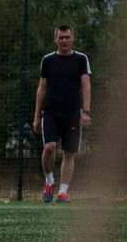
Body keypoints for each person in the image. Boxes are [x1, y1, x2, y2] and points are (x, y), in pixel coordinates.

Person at [36, 25, 92, 202]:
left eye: (67, 37)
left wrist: (85, 111)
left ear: (73, 38)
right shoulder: (48, 60)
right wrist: (37, 116)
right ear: (55, 39)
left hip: (72, 114)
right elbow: (41, 88)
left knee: (69, 153)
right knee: (49, 147)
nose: (64, 41)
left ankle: (62, 192)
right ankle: (49, 181)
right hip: (51, 112)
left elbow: (86, 85)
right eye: (61, 38)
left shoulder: (81, 59)